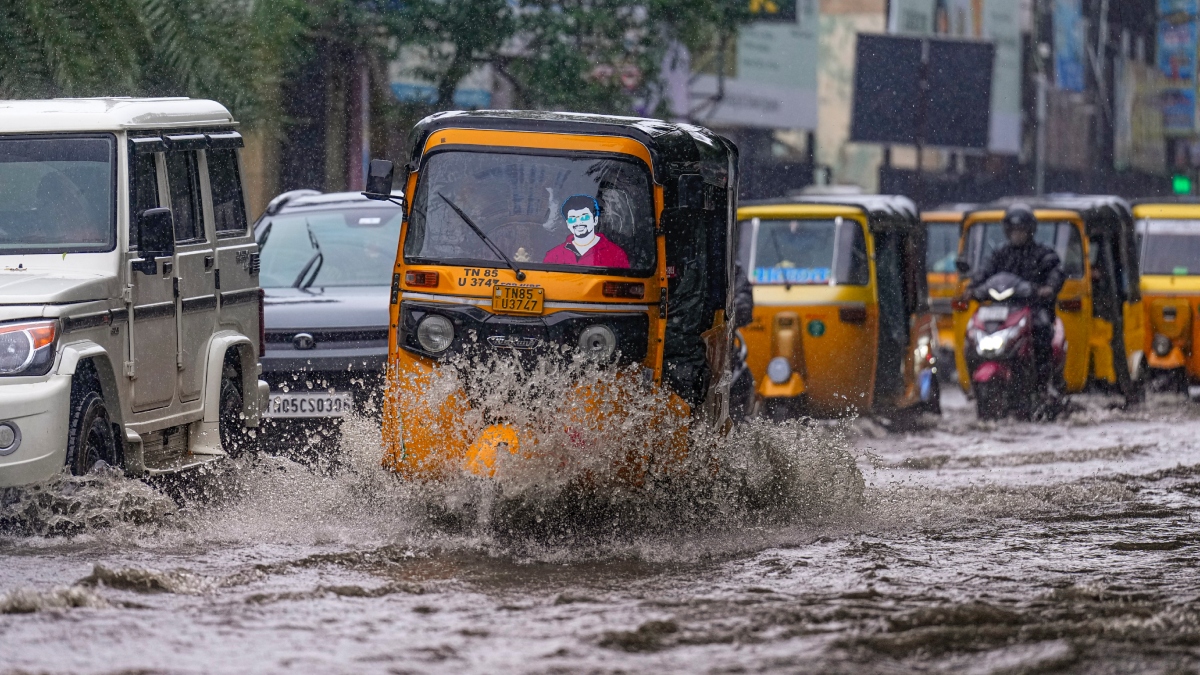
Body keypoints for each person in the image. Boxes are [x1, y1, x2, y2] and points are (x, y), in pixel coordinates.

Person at [963, 203, 1065, 394]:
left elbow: (1056, 271)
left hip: (1031, 308)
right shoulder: (999, 254)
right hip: (1001, 311)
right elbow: (983, 272)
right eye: (1014, 230)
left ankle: (1043, 383)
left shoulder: (1043, 253)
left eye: (1021, 230)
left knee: (1042, 328)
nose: (1017, 234)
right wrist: (971, 288)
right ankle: (972, 382)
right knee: (970, 333)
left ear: (1030, 230)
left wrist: (1048, 288)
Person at [543, 195, 629, 268]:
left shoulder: (615, 253)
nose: (578, 223)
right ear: (568, 224)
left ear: (595, 220)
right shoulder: (554, 255)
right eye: (572, 219)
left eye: (584, 217)